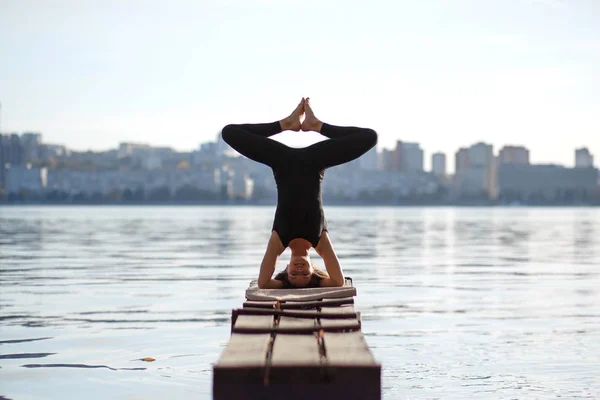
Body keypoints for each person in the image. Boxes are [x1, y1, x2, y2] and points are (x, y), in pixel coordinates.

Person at [221, 98, 377, 289]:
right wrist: (320, 128)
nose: (299, 270)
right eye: (305, 274)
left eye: (294, 274)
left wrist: (282, 127)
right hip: (315, 162)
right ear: (313, 268)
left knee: (229, 133)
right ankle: (316, 125)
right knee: (370, 137)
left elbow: (263, 283)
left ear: (286, 269)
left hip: (282, 162)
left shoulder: (279, 241)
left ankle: (286, 124)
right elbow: (337, 282)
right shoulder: (320, 241)